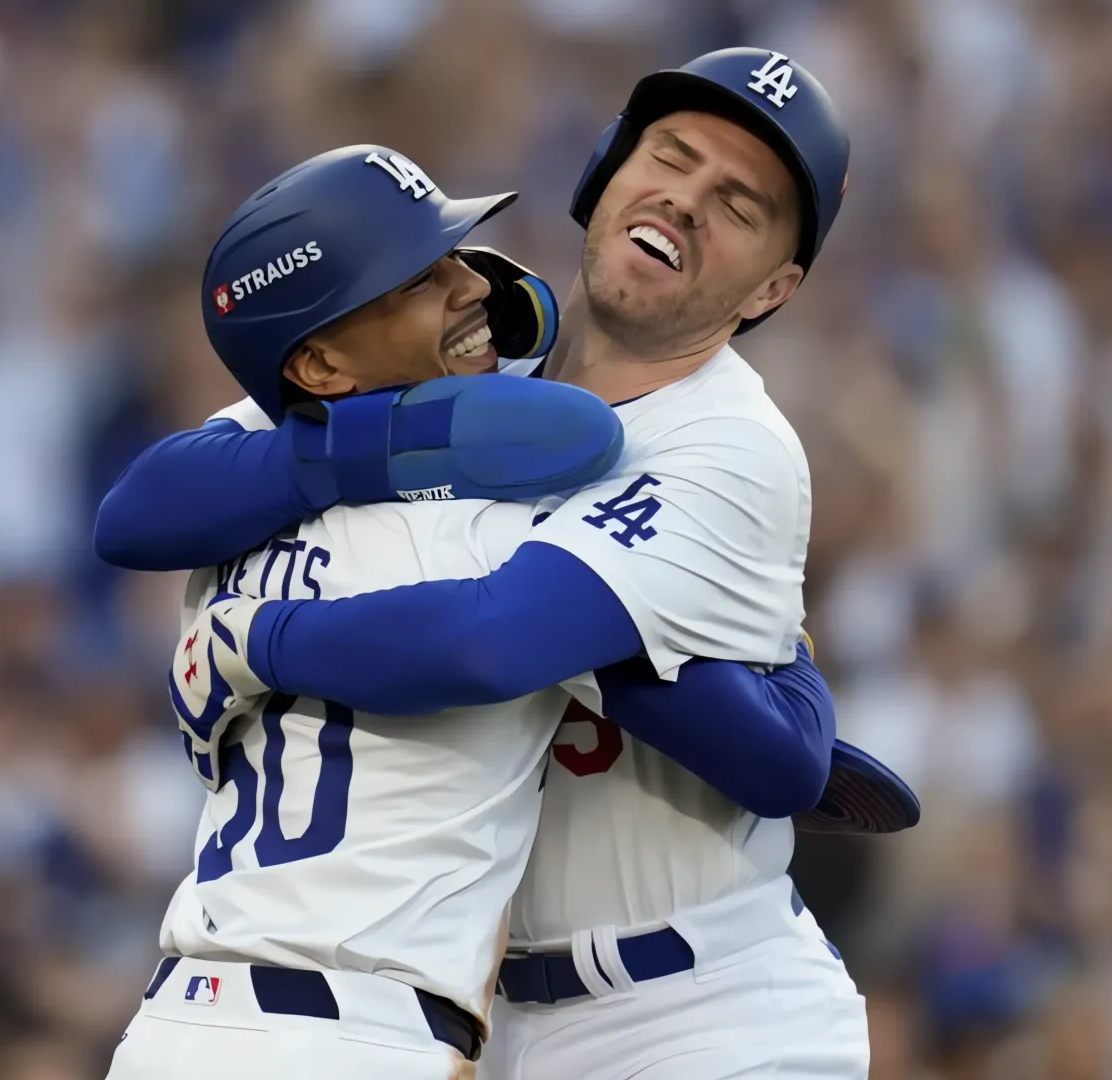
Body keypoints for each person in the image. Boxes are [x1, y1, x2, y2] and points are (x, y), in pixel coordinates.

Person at [105, 49, 913, 1079]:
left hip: (704, 1015)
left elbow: (493, 639)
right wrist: (366, 454)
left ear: (775, 286)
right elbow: (147, 506)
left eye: (741, 205)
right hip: (494, 1020)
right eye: (671, 155)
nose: (689, 199)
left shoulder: (730, 443)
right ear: (607, 170)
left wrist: (258, 636)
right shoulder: (471, 354)